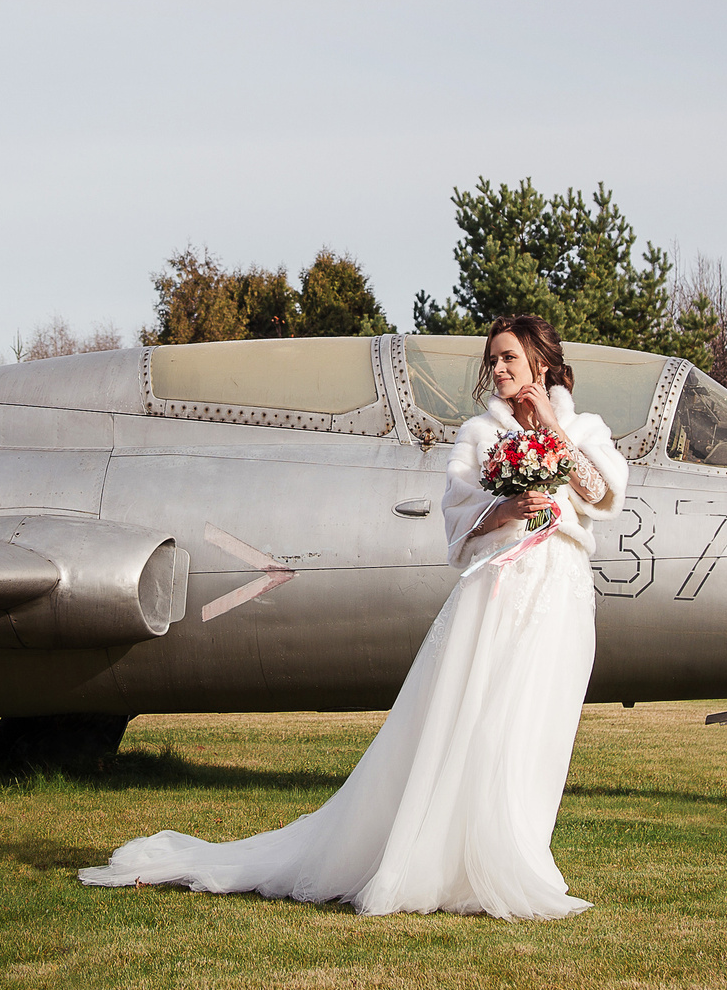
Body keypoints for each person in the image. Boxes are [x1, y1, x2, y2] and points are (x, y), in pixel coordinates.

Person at [79, 314, 628, 918]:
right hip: (496, 588)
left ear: (540, 365)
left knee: (534, 724)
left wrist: (552, 427)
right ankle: (460, 865)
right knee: (477, 719)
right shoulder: (479, 435)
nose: (496, 370)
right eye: (492, 360)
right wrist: (505, 509)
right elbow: (458, 522)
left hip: (560, 590)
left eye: (508, 360)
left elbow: (601, 492)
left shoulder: (583, 427)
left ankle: (514, 854)